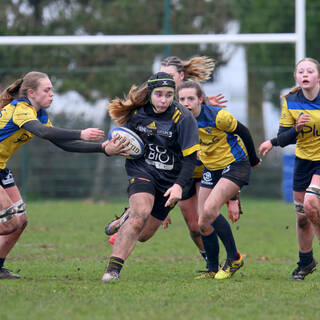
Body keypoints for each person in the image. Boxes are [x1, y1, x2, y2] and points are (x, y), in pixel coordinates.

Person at [105, 56, 241, 270]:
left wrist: (233, 197)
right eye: (161, 76)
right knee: (186, 224)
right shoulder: (152, 106)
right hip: (174, 172)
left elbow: (225, 146)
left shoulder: (194, 103)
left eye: (169, 77)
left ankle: (215, 262)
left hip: (197, 166)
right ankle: (133, 217)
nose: (164, 81)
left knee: (200, 222)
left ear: (181, 77)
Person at [0, 71, 129, 279]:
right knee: (8, 224)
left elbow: (63, 144)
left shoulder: (39, 113)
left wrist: (102, 149)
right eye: (47, 90)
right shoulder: (21, 109)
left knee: (20, 221)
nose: (52, 94)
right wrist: (81, 133)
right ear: (31, 92)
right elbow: (44, 132)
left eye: (52, 89)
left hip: (1, 168)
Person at [102, 72, 200, 282]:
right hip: (142, 171)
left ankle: (126, 216)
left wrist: (178, 187)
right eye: (159, 94)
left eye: (168, 94)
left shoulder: (183, 118)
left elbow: (191, 160)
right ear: (150, 94)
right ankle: (112, 271)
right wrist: (112, 147)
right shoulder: (138, 114)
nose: (164, 100)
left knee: (144, 235)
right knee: (140, 214)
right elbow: (121, 138)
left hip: (170, 182)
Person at [177, 81, 260, 279]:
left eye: (191, 98)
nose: (186, 103)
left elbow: (244, 132)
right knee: (202, 222)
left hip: (235, 164)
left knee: (210, 209)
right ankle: (212, 269)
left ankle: (234, 258)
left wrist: (254, 159)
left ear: (200, 100)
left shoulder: (218, 116)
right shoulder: (180, 120)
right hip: (211, 168)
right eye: (182, 99)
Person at [258, 57, 320, 280]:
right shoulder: (290, 101)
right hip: (303, 161)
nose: (304, 74)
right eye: (300, 71)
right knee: (303, 217)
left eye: (309, 71)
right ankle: (306, 263)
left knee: (312, 203)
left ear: (318, 77)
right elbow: (284, 137)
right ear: (296, 77)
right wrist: (295, 129)